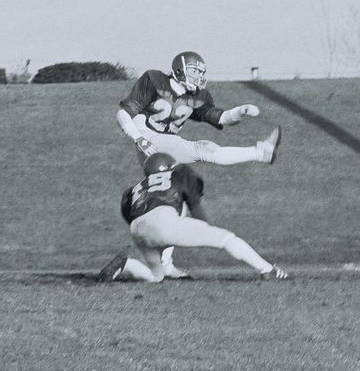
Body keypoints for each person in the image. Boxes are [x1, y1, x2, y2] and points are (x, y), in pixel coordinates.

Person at [115, 51, 282, 278]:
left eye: (201, 72)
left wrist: (239, 111)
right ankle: (261, 153)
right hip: (149, 138)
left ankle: (165, 264)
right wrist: (139, 138)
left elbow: (220, 117)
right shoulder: (154, 80)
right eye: (194, 71)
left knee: (177, 201)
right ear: (179, 70)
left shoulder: (198, 96)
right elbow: (124, 113)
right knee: (204, 149)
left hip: (165, 149)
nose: (198, 77)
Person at [97, 153, 288, 282]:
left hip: (137, 229)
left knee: (156, 277)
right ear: (170, 166)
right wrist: (205, 230)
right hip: (164, 221)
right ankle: (267, 269)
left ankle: (126, 263)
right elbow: (195, 208)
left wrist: (153, 237)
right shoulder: (179, 174)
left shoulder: (133, 189)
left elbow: (129, 215)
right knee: (227, 239)